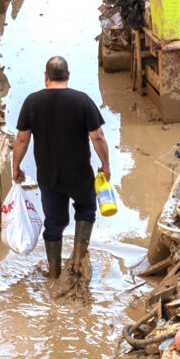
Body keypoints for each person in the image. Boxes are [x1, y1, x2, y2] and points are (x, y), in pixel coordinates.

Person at [12, 55, 110, 286]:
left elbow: (22, 140)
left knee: (54, 223)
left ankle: (54, 274)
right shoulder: (82, 100)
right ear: (68, 75)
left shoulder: (32, 102)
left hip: (48, 175)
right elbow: (97, 136)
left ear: (46, 77)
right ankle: (77, 265)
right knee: (85, 211)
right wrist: (105, 165)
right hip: (79, 174)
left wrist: (15, 167)